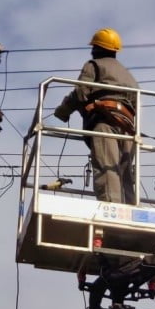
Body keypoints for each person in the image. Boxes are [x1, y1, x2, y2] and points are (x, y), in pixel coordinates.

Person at [54, 28, 139, 204]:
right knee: (124, 171)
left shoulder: (94, 65)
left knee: (107, 166)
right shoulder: (128, 74)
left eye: (94, 47)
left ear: (98, 48)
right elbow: (136, 104)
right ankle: (130, 207)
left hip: (104, 122)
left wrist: (62, 111)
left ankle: (111, 208)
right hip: (127, 127)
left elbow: (80, 93)